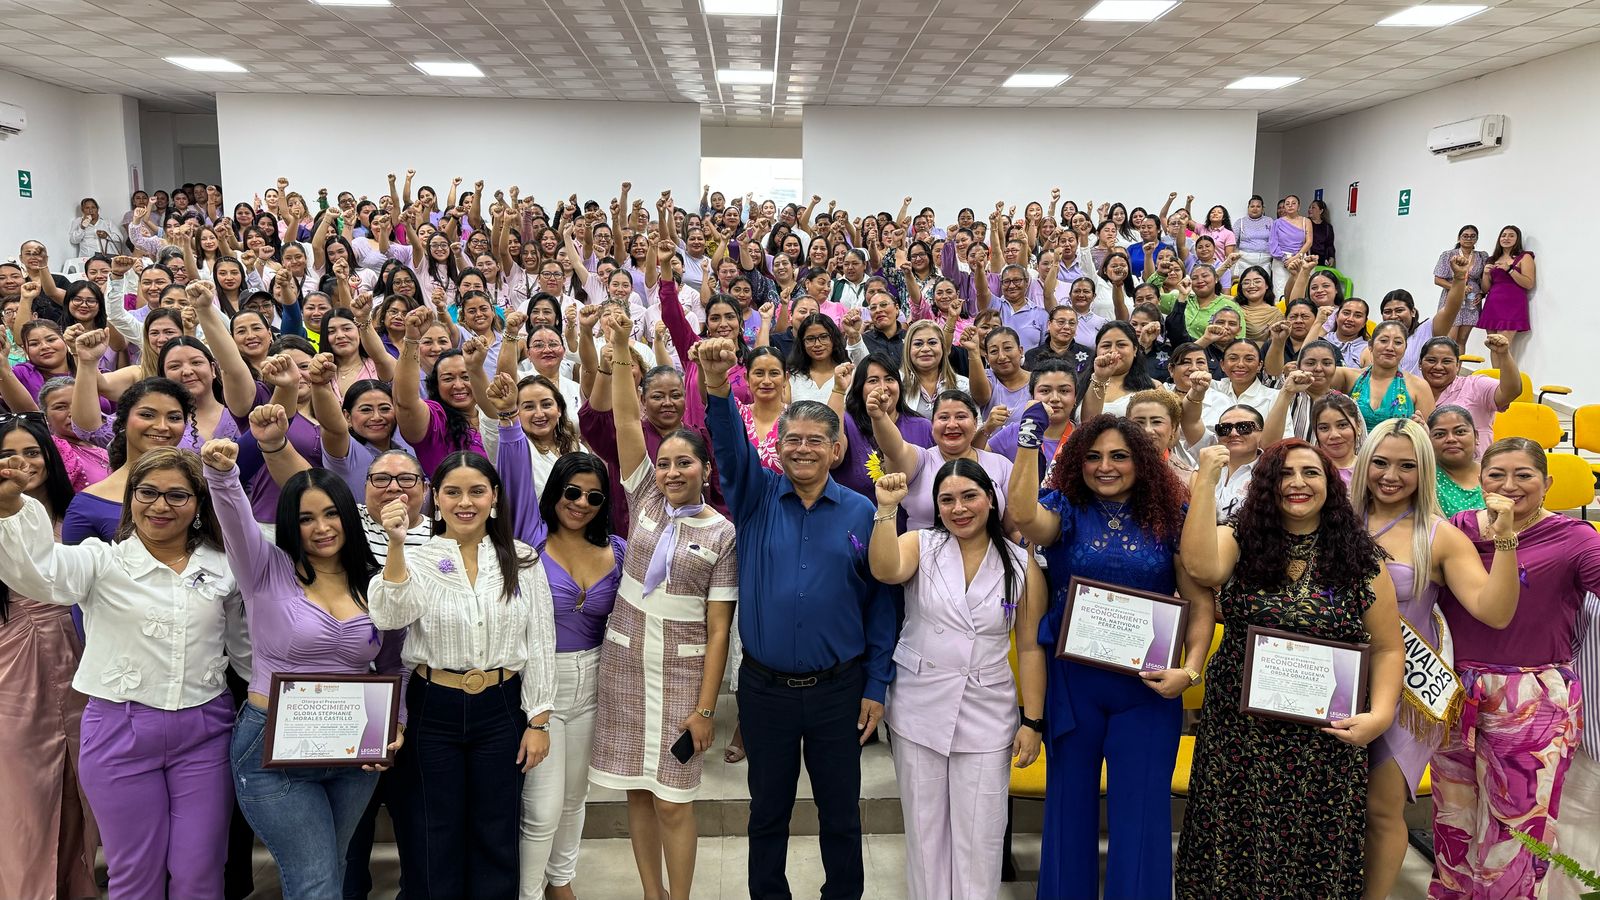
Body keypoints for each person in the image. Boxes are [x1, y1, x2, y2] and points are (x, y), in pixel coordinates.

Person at [0, 447, 247, 899]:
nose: (160, 505)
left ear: (197, 505)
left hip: (207, 731)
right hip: (119, 732)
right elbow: (40, 572)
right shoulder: (100, 561)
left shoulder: (224, 566)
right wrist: (12, 508)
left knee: (201, 869)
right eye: (148, 492)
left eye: (177, 495)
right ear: (130, 499)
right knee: (135, 873)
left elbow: (248, 647)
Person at [700, 335, 896, 900]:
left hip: (841, 689)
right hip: (766, 690)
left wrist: (877, 684)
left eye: (816, 440)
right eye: (792, 440)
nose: (803, 449)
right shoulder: (755, 498)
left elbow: (882, 606)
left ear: (837, 450)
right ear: (778, 447)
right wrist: (717, 388)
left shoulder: (865, 511)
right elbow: (732, 449)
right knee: (767, 813)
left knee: (841, 814)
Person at [1178, 439, 1403, 899]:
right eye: (1284, 474)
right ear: (1266, 485)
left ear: (1330, 485)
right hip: (1241, 734)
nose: (1297, 483)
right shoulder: (1239, 539)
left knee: (1313, 849)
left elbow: (1386, 648)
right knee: (1234, 846)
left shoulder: (1360, 557)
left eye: (1311, 473)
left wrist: (1379, 716)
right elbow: (1201, 566)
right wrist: (1205, 480)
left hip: (1325, 739)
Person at [1010, 412, 1216, 898]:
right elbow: (1022, 516)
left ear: (1142, 462)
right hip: (1073, 687)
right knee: (1068, 810)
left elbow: (1201, 606)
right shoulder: (1062, 509)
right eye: (1094, 456)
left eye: (1119, 456)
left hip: (1147, 692)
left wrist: (1189, 670)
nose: (1105, 466)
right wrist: (1027, 440)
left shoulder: (1170, 518)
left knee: (1142, 817)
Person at [200, 422, 406, 900]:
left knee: (328, 870)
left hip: (354, 751)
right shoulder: (263, 568)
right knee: (316, 882)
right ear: (291, 523)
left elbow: (393, 662)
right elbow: (233, 516)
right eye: (307, 518)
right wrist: (222, 474)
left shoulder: (373, 580)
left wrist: (394, 725)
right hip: (274, 747)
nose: (322, 527)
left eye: (332, 514)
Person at [586, 316, 736, 900]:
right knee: (638, 793)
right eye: (666, 463)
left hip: (681, 673)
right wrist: (621, 349)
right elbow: (626, 418)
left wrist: (705, 710)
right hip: (626, 664)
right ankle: (652, 894)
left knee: (675, 799)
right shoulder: (643, 493)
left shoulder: (721, 531)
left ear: (705, 468)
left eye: (685, 464)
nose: (672, 472)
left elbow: (720, 630)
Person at [368, 451, 557, 899]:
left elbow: (540, 641)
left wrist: (539, 719)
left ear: (494, 497)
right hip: (435, 705)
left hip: (502, 705)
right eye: (453, 492)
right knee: (434, 826)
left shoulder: (522, 558)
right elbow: (388, 615)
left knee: (497, 828)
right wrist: (395, 543)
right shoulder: (418, 556)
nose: (465, 502)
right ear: (436, 499)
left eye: (476, 491)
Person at [1348, 419, 1523, 899]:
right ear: (1363, 464)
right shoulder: (1332, 520)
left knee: (1381, 810)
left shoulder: (1438, 535)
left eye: (1407, 466)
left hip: (1405, 691)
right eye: (1380, 463)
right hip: (1333, 682)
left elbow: (1495, 610)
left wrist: (1505, 540)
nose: (1391, 476)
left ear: (1424, 472)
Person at [1429, 438, 1600, 899]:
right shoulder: (1457, 528)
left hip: (1532, 696)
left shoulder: (1575, 538)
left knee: (1518, 831)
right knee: (1454, 821)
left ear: (1547, 483)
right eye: (1496, 474)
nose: (1509, 485)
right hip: (1455, 692)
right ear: (1480, 480)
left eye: (1524, 475)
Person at [869, 464, 1046, 900]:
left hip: (987, 710)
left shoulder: (1020, 563)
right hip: (919, 705)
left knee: (980, 835)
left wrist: (1033, 720)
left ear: (990, 497)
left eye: (969, 496)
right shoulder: (921, 544)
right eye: (947, 500)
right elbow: (886, 570)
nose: (959, 508)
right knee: (925, 833)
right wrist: (886, 511)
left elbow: (1028, 648)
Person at [492, 388, 623, 899]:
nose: (582, 504)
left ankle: (560, 882)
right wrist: (507, 422)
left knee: (575, 799)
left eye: (594, 497)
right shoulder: (529, 535)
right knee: (541, 807)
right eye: (572, 492)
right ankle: (526, 893)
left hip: (594, 681)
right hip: (538, 685)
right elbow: (514, 477)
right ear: (556, 494)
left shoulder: (618, 548)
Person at [0, 415, 98, 900]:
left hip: (79, 653)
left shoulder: (76, 516)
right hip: (13, 661)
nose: (22, 464)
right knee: (24, 792)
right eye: (8, 455)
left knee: (83, 785)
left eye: (33, 453)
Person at [1419, 333, 1520, 456]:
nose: (1438, 367)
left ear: (1457, 366)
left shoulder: (1475, 385)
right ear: (1420, 363)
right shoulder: (1410, 391)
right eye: (1431, 360)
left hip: (1476, 468)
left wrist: (1503, 354)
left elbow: (1511, 391)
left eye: (1446, 361)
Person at [1434, 226, 1488, 347]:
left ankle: (1457, 366)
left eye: (1472, 236)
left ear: (1477, 239)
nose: (1469, 238)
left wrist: (1482, 294)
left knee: (1462, 340)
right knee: (1450, 338)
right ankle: (1449, 364)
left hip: (1472, 300)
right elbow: (1437, 280)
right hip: (1452, 298)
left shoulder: (1482, 256)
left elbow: (1484, 280)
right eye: (1465, 235)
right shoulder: (1448, 255)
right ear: (1459, 238)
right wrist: (1458, 288)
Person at [1477, 225, 1536, 338]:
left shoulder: (1525, 257)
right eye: (1503, 235)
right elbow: (1485, 289)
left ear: (1517, 239)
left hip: (1512, 304)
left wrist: (1510, 270)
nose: (1506, 238)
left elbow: (1529, 284)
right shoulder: (1492, 259)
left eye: (1511, 236)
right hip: (1493, 304)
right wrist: (1485, 274)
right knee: (1492, 345)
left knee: (1503, 346)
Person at [1428, 406, 1486, 516]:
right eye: (1440, 434)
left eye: (1460, 432)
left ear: (1476, 436)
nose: (1451, 439)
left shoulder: (1496, 474)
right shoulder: (1425, 478)